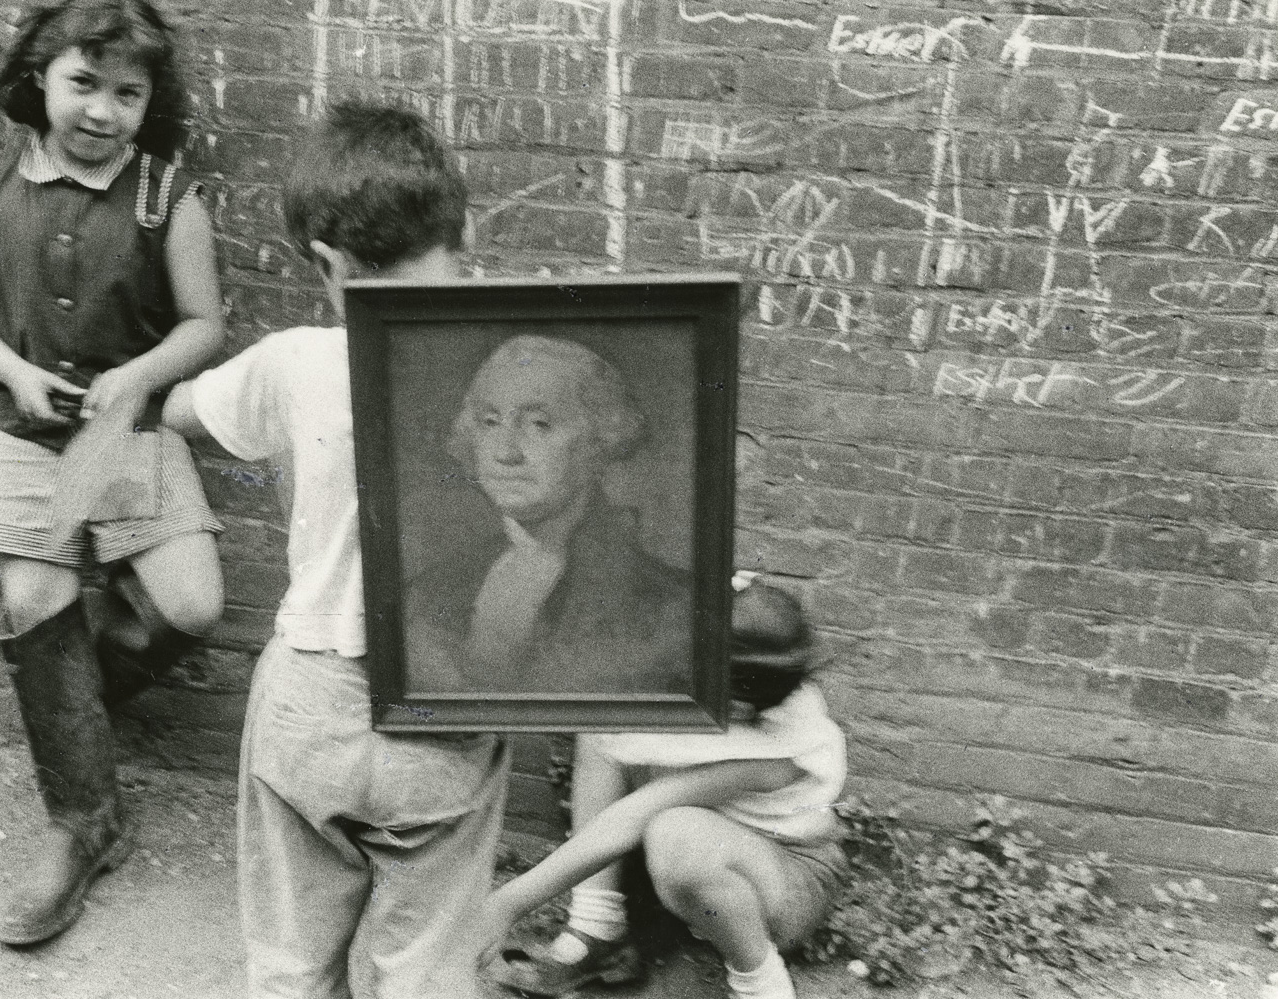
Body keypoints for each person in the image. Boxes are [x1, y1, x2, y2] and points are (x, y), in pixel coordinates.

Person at [159, 100, 509, 998]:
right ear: (463, 229)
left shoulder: (294, 361)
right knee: (429, 962)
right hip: (447, 700)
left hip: (308, 700)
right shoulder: (514, 370)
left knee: (289, 959)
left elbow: (179, 412)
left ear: (325, 262)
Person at [0, 0, 225, 945]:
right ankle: (82, 821)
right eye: (83, 83)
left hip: (126, 434)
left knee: (190, 606)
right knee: (31, 603)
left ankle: (71, 716)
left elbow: (204, 324)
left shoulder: (165, 194)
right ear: (38, 80)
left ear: (151, 108)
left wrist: (137, 378)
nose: (102, 111)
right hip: (27, 438)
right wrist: (15, 374)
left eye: (127, 95)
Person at [476, 575, 848, 999]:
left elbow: (633, 816)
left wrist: (506, 905)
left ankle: (763, 985)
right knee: (607, 725)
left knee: (673, 832)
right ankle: (596, 930)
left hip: (787, 878)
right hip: (719, 852)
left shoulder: (780, 748)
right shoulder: (756, 672)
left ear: (738, 703)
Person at [404, 335, 692, 693]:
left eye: (539, 424)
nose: (506, 453)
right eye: (490, 422)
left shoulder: (671, 606)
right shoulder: (430, 591)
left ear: (600, 440)